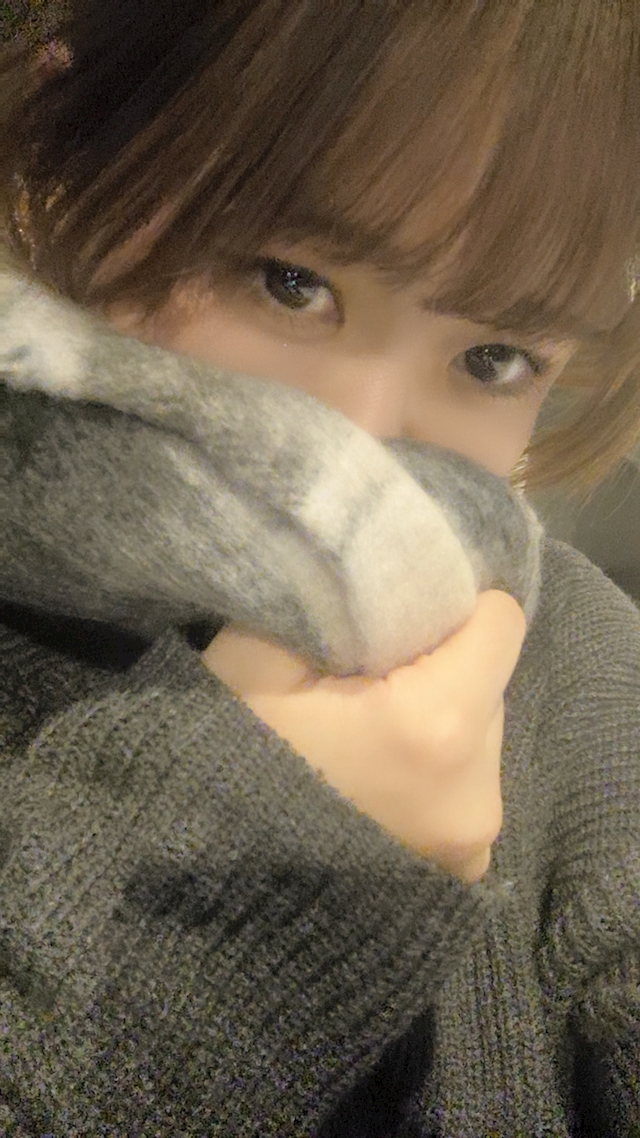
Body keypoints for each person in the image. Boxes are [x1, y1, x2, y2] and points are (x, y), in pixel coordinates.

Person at [1, 2, 639, 1134]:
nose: (362, 437)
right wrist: (241, 873)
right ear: (57, 163)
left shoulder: (576, 659)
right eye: (290, 282)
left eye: (492, 358)